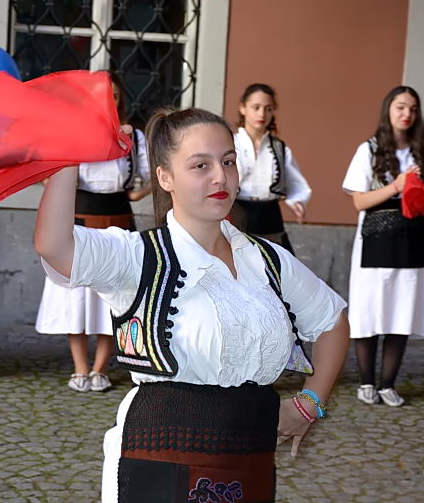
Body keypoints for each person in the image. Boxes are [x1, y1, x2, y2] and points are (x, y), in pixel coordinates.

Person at [35, 107, 349, 502]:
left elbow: (332, 320)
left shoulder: (267, 260)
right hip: (157, 462)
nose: (220, 176)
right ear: (165, 177)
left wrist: (308, 405)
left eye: (228, 161)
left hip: (249, 457)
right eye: (201, 165)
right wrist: (69, 157)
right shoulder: (137, 256)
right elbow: (55, 246)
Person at [34, 72, 150, 393]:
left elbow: (148, 174)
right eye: (102, 95)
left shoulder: (134, 137)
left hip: (119, 218)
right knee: (77, 293)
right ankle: (80, 368)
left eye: (115, 95)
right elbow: (47, 172)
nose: (108, 101)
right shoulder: (73, 132)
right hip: (80, 217)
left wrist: (140, 192)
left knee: (113, 292)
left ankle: (100, 368)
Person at [342, 86, 424, 407]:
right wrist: (396, 186)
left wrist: (419, 191)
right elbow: (359, 201)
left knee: (403, 309)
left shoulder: (421, 152)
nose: (407, 114)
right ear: (389, 109)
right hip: (376, 236)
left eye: (413, 109)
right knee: (370, 309)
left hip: (411, 237)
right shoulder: (369, 149)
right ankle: (366, 382)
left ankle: (388, 383)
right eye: (401, 107)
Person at [232, 83, 311, 253]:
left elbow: (295, 183)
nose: (262, 114)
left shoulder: (279, 148)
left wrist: (297, 201)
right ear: (243, 108)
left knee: (274, 263)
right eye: (256, 107)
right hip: (237, 214)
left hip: (269, 217)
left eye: (268, 109)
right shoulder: (230, 144)